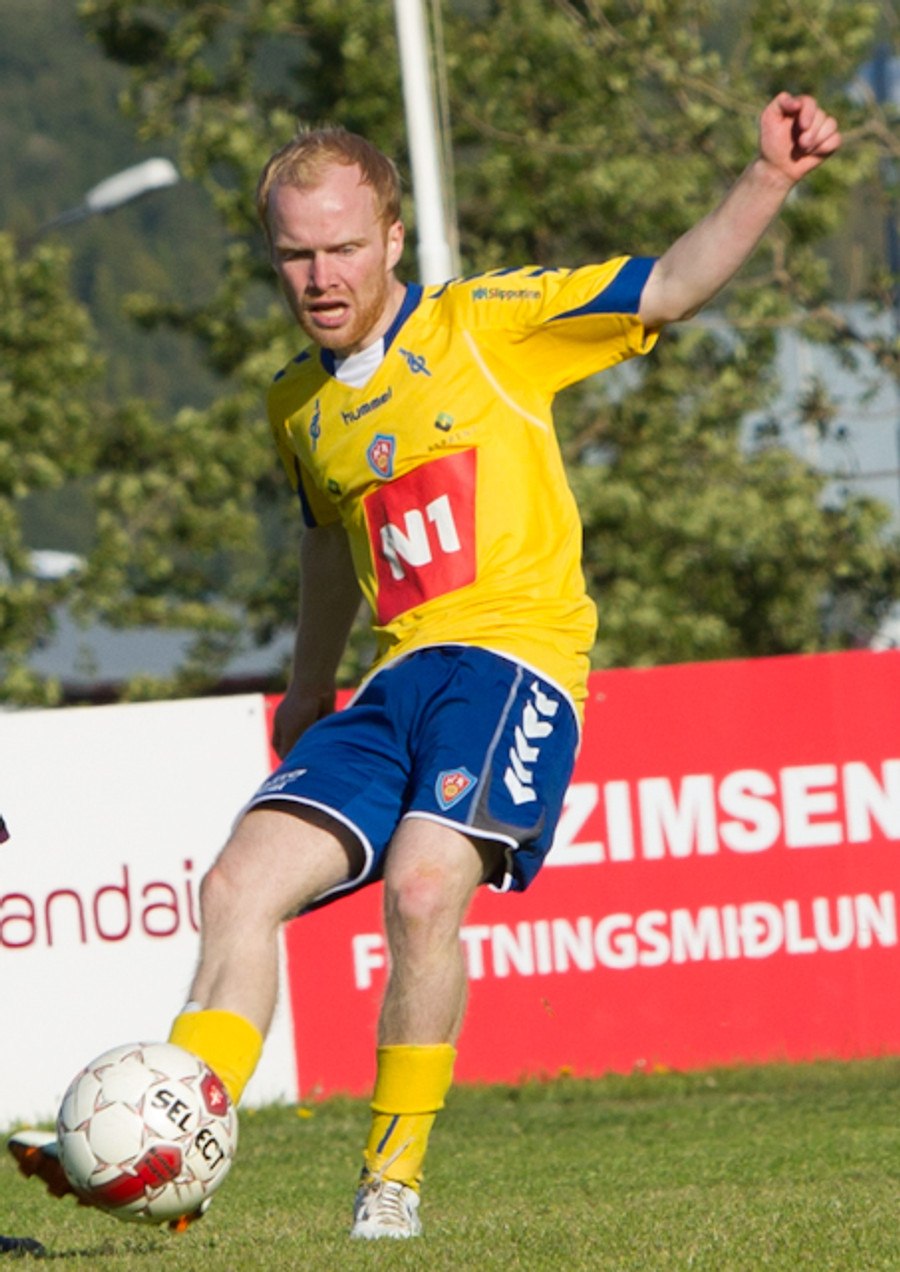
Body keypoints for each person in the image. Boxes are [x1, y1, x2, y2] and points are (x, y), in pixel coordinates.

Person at [9, 91, 840, 1239]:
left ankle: (389, 1184)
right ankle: (172, 1141)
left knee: (422, 886)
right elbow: (327, 549)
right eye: (296, 255)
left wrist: (769, 178)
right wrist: (308, 688)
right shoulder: (298, 405)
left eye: (345, 248)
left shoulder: (490, 325)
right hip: (393, 683)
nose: (321, 276)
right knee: (236, 888)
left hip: (512, 661)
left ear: (393, 239)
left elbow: (669, 287)